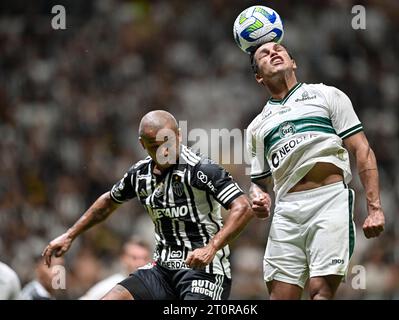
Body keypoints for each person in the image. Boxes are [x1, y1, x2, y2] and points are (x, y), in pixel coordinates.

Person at [43, 110, 253, 300]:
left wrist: (212, 247)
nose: (163, 151)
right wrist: (70, 235)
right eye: (155, 146)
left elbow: (243, 207)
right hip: (161, 271)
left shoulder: (201, 169)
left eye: (168, 142)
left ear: (179, 135)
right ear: (142, 144)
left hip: (203, 272)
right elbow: (108, 201)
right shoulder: (139, 174)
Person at [246, 42, 385, 300]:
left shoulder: (327, 95)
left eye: (279, 49)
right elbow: (258, 182)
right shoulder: (256, 127)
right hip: (287, 211)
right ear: (258, 77)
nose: (274, 53)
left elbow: (362, 150)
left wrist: (374, 208)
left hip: (329, 201)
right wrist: (257, 198)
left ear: (293, 62)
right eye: (264, 54)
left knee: (320, 293)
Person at [79, 238, 152, 299]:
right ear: (123, 258)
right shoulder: (111, 285)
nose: (140, 263)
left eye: (145, 258)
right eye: (134, 258)